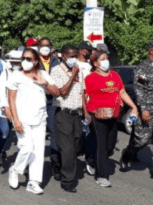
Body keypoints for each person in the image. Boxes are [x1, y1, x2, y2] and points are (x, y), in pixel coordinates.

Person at [7, 48, 60, 194]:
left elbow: (57, 92)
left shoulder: (43, 74)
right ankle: (15, 169)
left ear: (36, 61)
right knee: (27, 148)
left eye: (29, 59)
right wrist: (15, 119)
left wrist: (44, 84)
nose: (25, 61)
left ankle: (33, 182)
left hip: (40, 118)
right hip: (22, 118)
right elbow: (11, 98)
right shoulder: (16, 75)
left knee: (38, 151)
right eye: (24, 58)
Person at [84, 51, 138, 187]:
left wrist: (133, 107)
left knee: (110, 146)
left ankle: (91, 160)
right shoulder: (91, 78)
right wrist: (87, 113)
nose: (105, 61)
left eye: (107, 59)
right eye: (102, 59)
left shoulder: (115, 75)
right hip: (98, 116)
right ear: (95, 63)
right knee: (101, 146)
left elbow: (122, 92)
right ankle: (102, 175)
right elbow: (85, 97)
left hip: (113, 115)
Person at [120, 39, 153, 180]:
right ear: (152, 50)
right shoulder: (142, 68)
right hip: (149, 109)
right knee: (141, 140)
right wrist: (144, 109)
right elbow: (140, 89)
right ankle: (127, 154)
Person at [50, 44, 84, 193]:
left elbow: (82, 92)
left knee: (75, 146)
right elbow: (62, 92)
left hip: (77, 114)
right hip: (63, 113)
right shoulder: (56, 71)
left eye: (75, 56)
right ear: (63, 56)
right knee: (68, 149)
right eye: (71, 56)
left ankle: (57, 162)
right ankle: (67, 181)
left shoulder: (78, 69)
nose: (73, 59)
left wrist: (86, 111)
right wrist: (72, 76)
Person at [36, 38, 60, 170]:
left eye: (48, 46)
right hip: (36, 100)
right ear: (38, 47)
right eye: (42, 46)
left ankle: (55, 162)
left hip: (52, 101)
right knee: (36, 131)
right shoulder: (32, 60)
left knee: (54, 130)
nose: (45, 48)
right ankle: (32, 163)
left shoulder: (56, 61)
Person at [76, 41, 96, 176]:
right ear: (82, 50)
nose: (89, 52)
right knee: (77, 133)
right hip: (74, 103)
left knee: (88, 132)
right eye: (88, 50)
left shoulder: (89, 66)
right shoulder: (74, 64)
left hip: (88, 103)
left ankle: (89, 159)